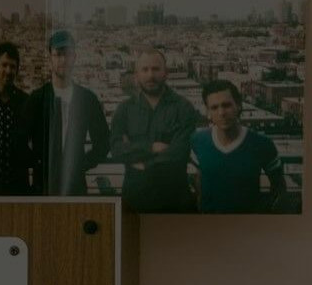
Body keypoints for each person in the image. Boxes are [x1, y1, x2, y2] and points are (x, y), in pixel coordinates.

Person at [108, 47, 202, 212]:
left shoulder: (183, 108)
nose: (150, 75)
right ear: (136, 75)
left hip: (174, 200)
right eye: (145, 69)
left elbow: (179, 153)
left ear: (166, 73)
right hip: (135, 200)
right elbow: (117, 151)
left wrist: (142, 164)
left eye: (156, 69)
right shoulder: (124, 110)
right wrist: (151, 147)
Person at [26, 28, 109, 197]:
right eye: (58, 54)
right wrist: (39, 163)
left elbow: (103, 141)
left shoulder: (87, 99)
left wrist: (81, 164)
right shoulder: (37, 99)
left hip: (75, 187)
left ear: (75, 58)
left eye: (68, 54)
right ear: (50, 59)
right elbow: (20, 141)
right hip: (43, 188)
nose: (63, 60)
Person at [190, 79, 287, 214]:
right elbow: (199, 177)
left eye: (227, 105)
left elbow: (279, 188)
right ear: (208, 112)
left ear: (239, 106)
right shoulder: (198, 140)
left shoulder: (262, 144)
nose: (221, 113)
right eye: (214, 107)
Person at [0, 41, 35, 195]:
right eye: (4, 65)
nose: (8, 71)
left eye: (13, 66)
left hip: (18, 186)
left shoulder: (26, 102)